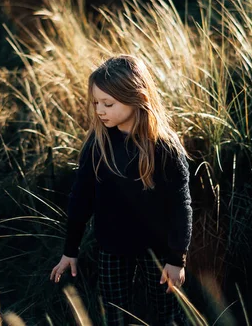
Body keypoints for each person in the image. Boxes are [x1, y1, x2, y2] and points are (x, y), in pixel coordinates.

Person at [50, 55, 193, 325]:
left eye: (108, 103)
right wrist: (70, 250)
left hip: (159, 250)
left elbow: (180, 205)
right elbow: (81, 198)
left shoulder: (164, 148)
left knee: (167, 314)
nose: (100, 111)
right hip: (112, 247)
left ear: (136, 97)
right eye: (96, 103)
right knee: (115, 314)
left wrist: (177, 258)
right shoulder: (98, 142)